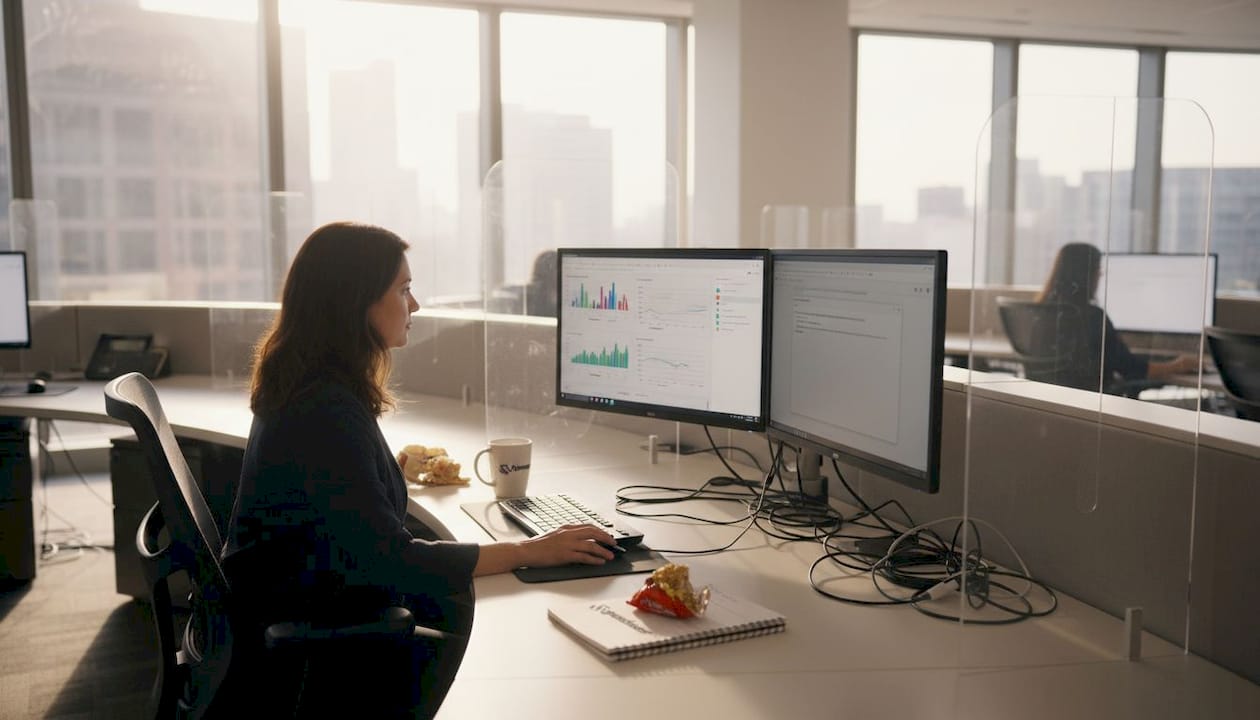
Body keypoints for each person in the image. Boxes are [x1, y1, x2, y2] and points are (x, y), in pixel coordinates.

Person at [221, 221, 616, 717]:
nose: (416, 305)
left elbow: (344, 513)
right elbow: (390, 558)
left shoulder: (310, 384)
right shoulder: (324, 409)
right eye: (403, 289)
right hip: (323, 616)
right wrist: (530, 550)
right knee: (513, 661)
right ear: (355, 301)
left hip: (300, 593)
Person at [1036, 243, 1199, 390]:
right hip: (1088, 407)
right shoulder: (1093, 317)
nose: (1099, 276)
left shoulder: (1039, 313)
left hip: (1051, 405)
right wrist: (1178, 365)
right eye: (1098, 271)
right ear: (1087, 275)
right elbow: (1132, 369)